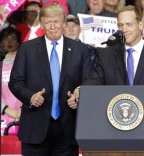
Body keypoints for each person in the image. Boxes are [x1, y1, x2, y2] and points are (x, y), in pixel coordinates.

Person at [74, 5, 144, 128]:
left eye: (129, 24)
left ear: (140, 25)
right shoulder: (107, 54)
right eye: (120, 25)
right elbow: (94, 80)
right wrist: (82, 89)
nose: (124, 29)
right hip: (115, 123)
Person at [9, 4, 92, 155]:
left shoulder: (80, 50)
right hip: (35, 127)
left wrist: (79, 96)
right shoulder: (27, 49)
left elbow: (89, 81)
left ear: (63, 22)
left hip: (67, 130)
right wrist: (30, 97)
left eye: (56, 22)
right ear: (41, 23)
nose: (53, 27)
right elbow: (15, 82)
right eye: (48, 22)